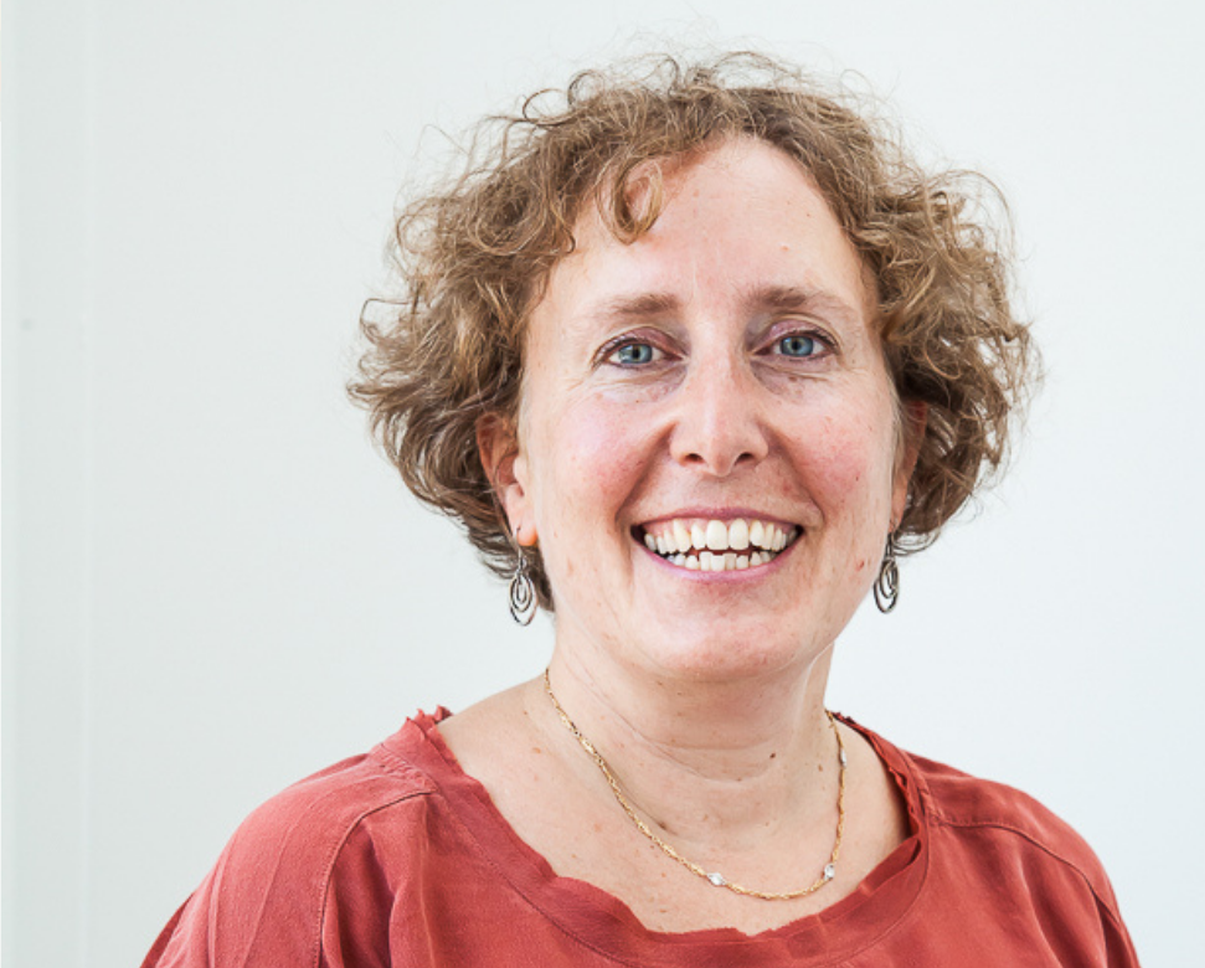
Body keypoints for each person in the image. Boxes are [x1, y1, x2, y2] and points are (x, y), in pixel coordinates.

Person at [142, 52, 1140, 966]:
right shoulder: (338, 885)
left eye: (794, 343)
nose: (718, 430)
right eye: (634, 350)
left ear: (901, 457)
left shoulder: (1039, 897)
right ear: (512, 467)